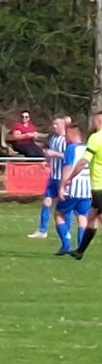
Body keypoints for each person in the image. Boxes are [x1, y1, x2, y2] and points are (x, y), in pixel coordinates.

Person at [62, 111, 102, 260]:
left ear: (99, 121)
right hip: (98, 187)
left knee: (96, 217)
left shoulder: (96, 138)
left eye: (94, 120)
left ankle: (80, 250)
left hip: (99, 187)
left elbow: (84, 161)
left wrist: (70, 177)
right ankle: (80, 251)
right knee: (92, 218)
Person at [29, 115, 68, 239]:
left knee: (65, 205)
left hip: (64, 177)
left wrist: (54, 153)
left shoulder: (67, 140)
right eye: (53, 124)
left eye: (56, 124)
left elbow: (69, 157)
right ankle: (42, 230)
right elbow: (50, 156)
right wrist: (46, 157)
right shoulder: (53, 139)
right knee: (46, 201)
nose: (54, 126)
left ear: (63, 125)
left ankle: (66, 231)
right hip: (53, 176)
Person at [55, 123, 91, 256]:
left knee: (58, 214)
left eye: (67, 134)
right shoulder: (88, 148)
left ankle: (66, 243)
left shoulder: (71, 149)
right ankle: (81, 248)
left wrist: (62, 186)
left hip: (72, 189)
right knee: (82, 216)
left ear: (72, 134)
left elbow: (67, 168)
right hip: (86, 189)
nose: (65, 138)